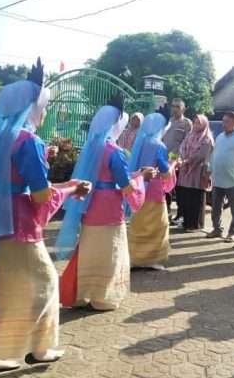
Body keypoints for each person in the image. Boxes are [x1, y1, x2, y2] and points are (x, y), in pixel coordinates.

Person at [0, 58, 91, 371]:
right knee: (46, 284)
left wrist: (64, 184)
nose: (45, 111)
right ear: (33, 107)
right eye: (43, 105)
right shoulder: (29, 141)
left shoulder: (0, 138)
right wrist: (69, 190)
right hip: (22, 228)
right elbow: (40, 196)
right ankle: (39, 348)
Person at [58, 99, 152, 312]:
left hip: (90, 204)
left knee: (89, 247)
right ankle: (103, 295)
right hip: (109, 205)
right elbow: (126, 186)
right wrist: (142, 177)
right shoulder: (113, 151)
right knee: (110, 249)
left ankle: (83, 292)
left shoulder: (91, 147)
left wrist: (135, 175)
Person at [128, 112, 177, 270]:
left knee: (139, 224)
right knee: (157, 224)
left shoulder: (140, 141)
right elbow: (165, 173)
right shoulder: (159, 145)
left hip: (139, 187)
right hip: (154, 190)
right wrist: (174, 164)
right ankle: (150, 259)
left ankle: (134, 256)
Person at [206, 111, 234, 243]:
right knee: (216, 207)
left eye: (227, 122)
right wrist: (209, 170)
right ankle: (217, 229)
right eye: (223, 121)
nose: (224, 124)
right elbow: (214, 155)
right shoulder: (220, 137)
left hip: (233, 180)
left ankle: (233, 232)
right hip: (218, 178)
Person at [178, 114, 214, 232]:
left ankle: (195, 224)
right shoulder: (190, 135)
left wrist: (188, 160)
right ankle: (186, 222)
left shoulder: (206, 138)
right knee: (186, 196)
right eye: (194, 122)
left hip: (198, 170)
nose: (195, 125)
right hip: (186, 169)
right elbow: (182, 147)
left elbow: (202, 154)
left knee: (196, 197)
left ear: (204, 124)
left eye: (198, 123)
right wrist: (183, 159)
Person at [162, 98, 192, 225]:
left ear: (183, 109)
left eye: (177, 107)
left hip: (177, 160)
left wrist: (178, 158)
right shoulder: (168, 122)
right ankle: (167, 212)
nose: (174, 109)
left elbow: (188, 143)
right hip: (164, 159)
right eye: (173, 106)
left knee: (179, 189)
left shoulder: (186, 123)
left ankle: (180, 215)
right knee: (166, 188)